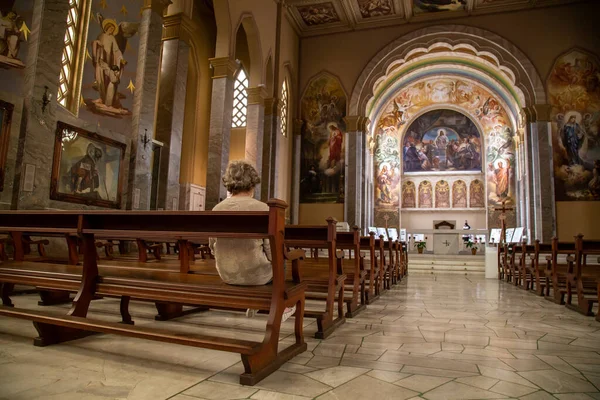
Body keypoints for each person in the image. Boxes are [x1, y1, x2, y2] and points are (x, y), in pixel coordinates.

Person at [209, 161, 296, 321]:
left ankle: (256, 302)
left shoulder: (217, 209)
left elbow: (213, 247)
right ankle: (281, 305)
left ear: (229, 184)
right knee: (281, 260)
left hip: (226, 273)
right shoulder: (263, 209)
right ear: (252, 183)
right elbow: (273, 253)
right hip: (257, 276)